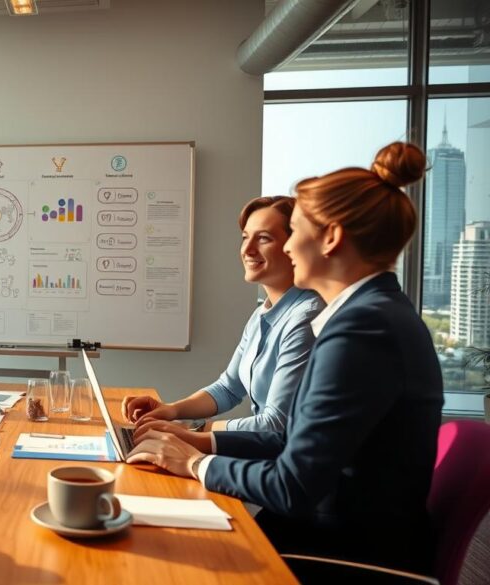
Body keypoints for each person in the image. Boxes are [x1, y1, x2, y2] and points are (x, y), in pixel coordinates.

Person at [127, 142, 443, 575]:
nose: (289, 247)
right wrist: (190, 441)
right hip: (326, 530)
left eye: (293, 231)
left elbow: (292, 485)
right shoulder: (371, 315)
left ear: (330, 238)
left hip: (344, 552)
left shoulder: (362, 330)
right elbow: (288, 440)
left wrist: (195, 462)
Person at [122, 196, 323, 432]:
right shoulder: (262, 313)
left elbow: (275, 424)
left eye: (264, 239)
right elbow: (229, 388)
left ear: (295, 245)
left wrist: (193, 430)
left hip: (275, 460)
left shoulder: (306, 318)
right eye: (245, 238)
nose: (247, 250)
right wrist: (170, 411)